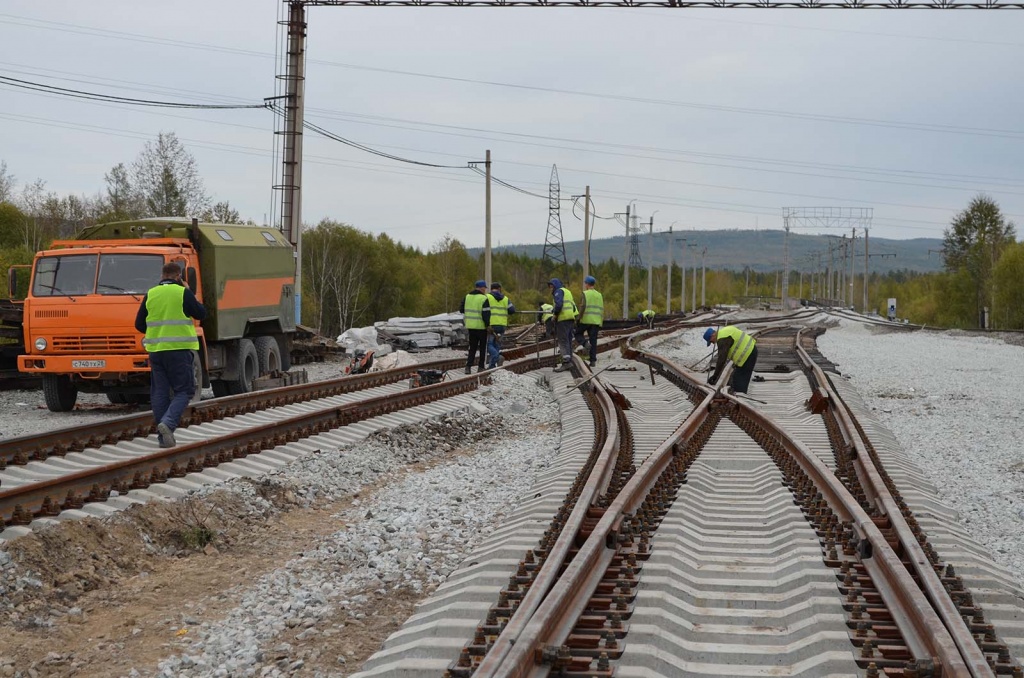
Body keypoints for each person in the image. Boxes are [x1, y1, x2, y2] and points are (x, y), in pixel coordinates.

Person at [134, 262, 207, 448]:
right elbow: (201, 313)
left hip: (157, 352)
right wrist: (189, 291)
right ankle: (168, 423)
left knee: (160, 392)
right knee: (184, 391)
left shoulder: (151, 293)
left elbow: (139, 324)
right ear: (178, 277)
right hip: (179, 350)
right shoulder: (182, 292)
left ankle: (163, 438)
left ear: (162, 275)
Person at [704, 325, 758, 395]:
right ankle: (739, 396)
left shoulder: (722, 339)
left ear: (713, 335)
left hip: (748, 355)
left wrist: (715, 376)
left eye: (711, 341)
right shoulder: (725, 331)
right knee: (738, 378)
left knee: (740, 380)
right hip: (750, 352)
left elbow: (721, 359)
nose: (713, 343)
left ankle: (740, 399)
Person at [460, 280, 491, 374]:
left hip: (470, 326)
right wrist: (488, 325)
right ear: (481, 288)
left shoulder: (467, 297)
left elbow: (461, 309)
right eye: (484, 288)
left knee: (472, 348)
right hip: (481, 327)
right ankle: (481, 367)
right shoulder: (483, 299)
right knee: (482, 348)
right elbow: (486, 314)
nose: (485, 290)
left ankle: (468, 367)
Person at [549, 278, 576, 373]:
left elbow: (559, 305)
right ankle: (570, 360)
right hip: (570, 318)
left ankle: (566, 362)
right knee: (568, 340)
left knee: (563, 341)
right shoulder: (567, 291)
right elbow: (572, 306)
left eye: (551, 286)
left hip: (563, 319)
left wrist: (555, 315)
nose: (550, 289)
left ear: (555, 285)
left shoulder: (558, 291)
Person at [486, 282, 515, 369]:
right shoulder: (505, 299)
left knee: (489, 344)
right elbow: (512, 310)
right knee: (497, 344)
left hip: (491, 325)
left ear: (491, 289)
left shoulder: (487, 297)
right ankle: (492, 365)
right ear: (499, 289)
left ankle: (497, 357)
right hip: (502, 324)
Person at [576, 276, 603, 368]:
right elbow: (601, 309)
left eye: (585, 283)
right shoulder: (599, 295)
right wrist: (600, 321)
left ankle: (585, 344)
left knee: (577, 333)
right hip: (596, 321)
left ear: (587, 284)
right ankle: (592, 361)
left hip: (586, 319)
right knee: (594, 340)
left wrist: (579, 318)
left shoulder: (585, 293)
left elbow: (583, 306)